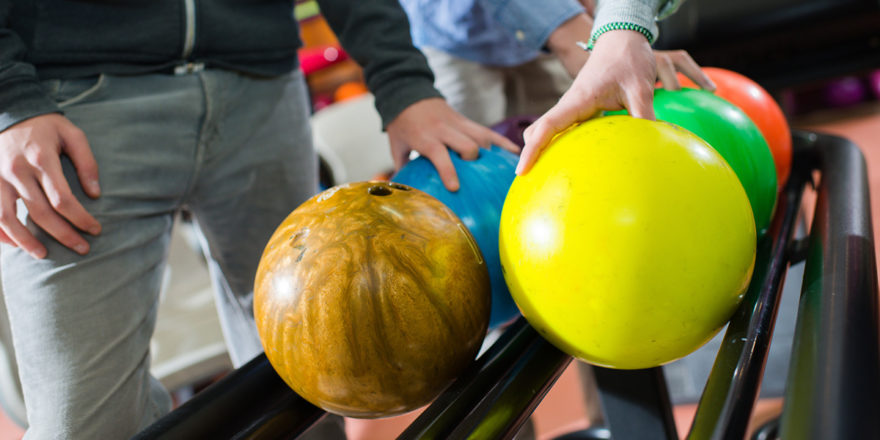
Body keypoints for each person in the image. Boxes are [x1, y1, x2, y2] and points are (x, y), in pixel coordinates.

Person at [0, 1, 518, 438]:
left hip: (262, 90)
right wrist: (9, 104)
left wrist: (405, 83)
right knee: (84, 424)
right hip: (70, 111)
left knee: (319, 379)